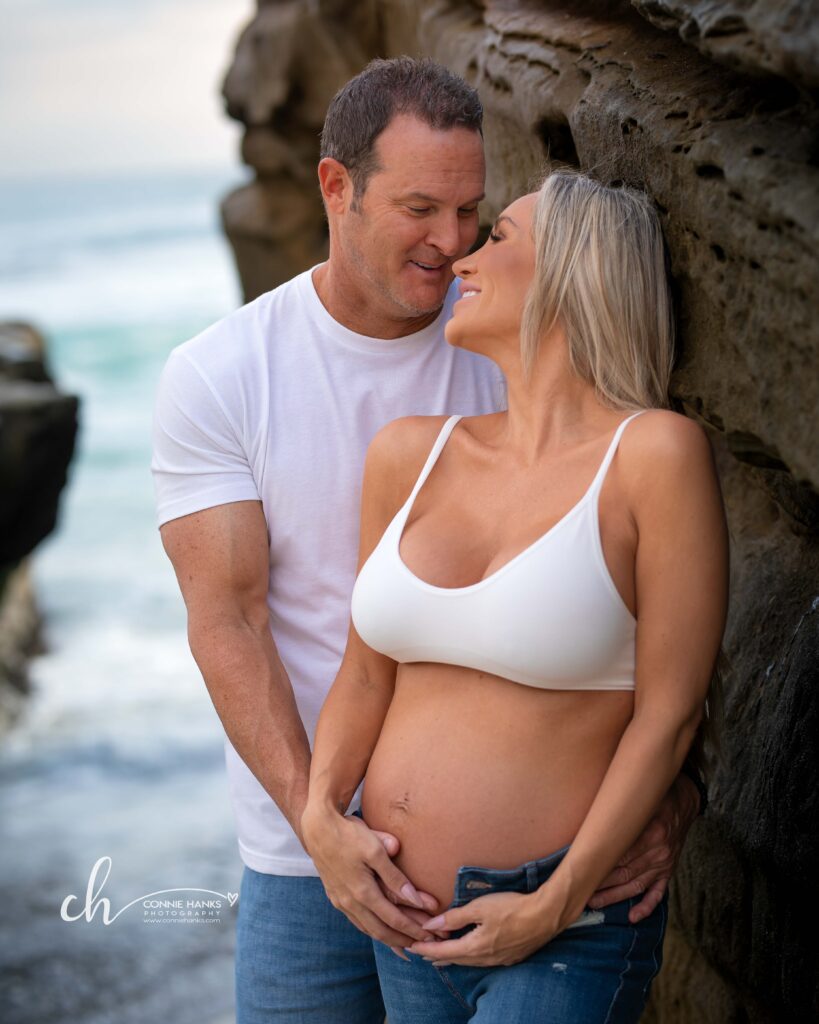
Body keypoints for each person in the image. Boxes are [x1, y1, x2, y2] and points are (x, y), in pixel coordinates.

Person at [151, 57, 706, 1024]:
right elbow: (229, 623)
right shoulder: (222, 376)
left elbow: (658, 622)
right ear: (335, 187)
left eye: (472, 214)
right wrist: (318, 823)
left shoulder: (523, 358)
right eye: (420, 209)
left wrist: (676, 799)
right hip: (303, 851)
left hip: (532, 872)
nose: (452, 246)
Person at [301, 168, 729, 1023]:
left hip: (561, 929)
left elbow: (670, 717)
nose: (461, 253)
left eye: (496, 236)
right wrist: (319, 816)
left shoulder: (653, 457)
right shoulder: (408, 454)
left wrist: (556, 902)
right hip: (404, 920)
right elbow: (363, 676)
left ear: (574, 271)